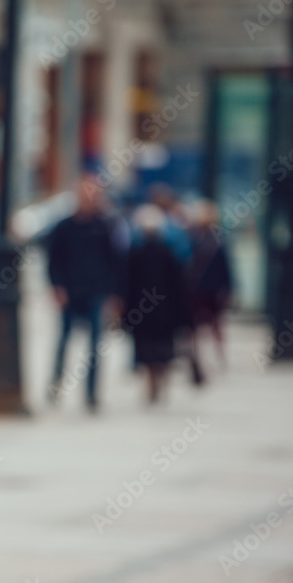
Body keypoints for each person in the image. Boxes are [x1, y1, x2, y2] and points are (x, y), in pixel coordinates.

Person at [46, 173, 123, 412]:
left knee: (95, 346)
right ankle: (56, 384)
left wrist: (114, 294)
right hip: (70, 291)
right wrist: (57, 287)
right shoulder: (64, 226)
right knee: (64, 340)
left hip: (96, 292)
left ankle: (91, 394)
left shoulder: (106, 226)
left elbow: (116, 262)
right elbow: (53, 260)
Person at [123, 205, 191, 404]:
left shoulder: (135, 255)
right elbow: (179, 288)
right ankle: (160, 382)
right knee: (163, 351)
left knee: (147, 352)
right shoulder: (168, 255)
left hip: (143, 313)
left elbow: (127, 285)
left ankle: (152, 384)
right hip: (165, 313)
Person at [186, 199, 233, 371]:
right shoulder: (218, 240)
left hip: (200, 288)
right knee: (214, 326)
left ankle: (201, 358)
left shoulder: (194, 238)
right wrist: (228, 289)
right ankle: (217, 358)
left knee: (201, 327)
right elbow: (226, 268)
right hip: (210, 289)